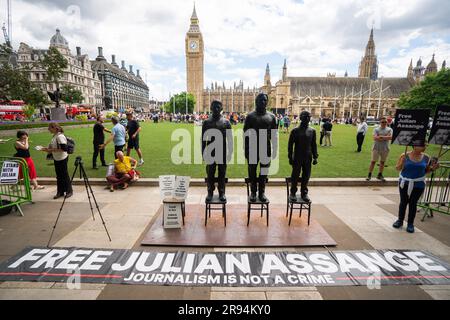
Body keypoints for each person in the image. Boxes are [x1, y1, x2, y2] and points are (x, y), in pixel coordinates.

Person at [393, 145, 439, 233]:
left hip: (419, 184)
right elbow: (397, 168)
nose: (424, 147)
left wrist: (433, 168)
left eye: (425, 145)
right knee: (403, 202)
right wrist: (402, 163)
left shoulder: (426, 157)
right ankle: (400, 220)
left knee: (413, 203)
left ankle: (410, 223)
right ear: (414, 146)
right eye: (422, 145)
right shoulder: (404, 155)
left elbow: (426, 170)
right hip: (404, 183)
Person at [244, 93, 278, 203]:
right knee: (252, 171)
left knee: (264, 171)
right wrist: (246, 150)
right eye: (260, 100)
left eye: (265, 100)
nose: (263, 102)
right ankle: (253, 192)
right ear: (256, 101)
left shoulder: (272, 117)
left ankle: (262, 192)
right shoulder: (250, 116)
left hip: (265, 147)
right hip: (253, 147)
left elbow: (274, 135)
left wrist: (274, 148)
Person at [202, 101, 233, 202]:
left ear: (221, 108)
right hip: (210, 151)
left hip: (222, 151)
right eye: (214, 106)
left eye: (218, 106)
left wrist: (230, 152)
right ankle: (210, 192)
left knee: (222, 173)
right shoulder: (206, 122)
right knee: (210, 173)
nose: (216, 108)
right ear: (211, 107)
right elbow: (203, 139)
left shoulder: (226, 122)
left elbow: (230, 139)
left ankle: (222, 192)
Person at [288, 111, 319, 203]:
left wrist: (315, 156)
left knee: (306, 175)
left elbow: (314, 145)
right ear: (301, 118)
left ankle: (304, 193)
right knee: (295, 175)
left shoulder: (312, 131)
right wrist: (290, 157)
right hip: (297, 156)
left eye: (309, 117)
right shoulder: (295, 131)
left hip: (308, 157)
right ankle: (293, 192)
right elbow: (290, 145)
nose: (308, 119)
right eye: (306, 117)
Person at [41, 123, 73, 199]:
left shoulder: (60, 136)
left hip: (62, 158)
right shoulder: (55, 136)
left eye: (49, 128)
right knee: (59, 176)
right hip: (57, 158)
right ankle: (60, 192)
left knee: (64, 175)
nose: (48, 129)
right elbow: (54, 147)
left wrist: (50, 150)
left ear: (55, 128)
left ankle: (69, 191)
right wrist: (46, 149)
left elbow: (64, 149)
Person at [367, 117, 393, 182]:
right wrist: (385, 137)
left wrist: (380, 136)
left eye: (385, 122)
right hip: (376, 147)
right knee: (373, 161)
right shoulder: (376, 129)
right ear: (380, 122)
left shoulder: (390, 129)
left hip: (385, 148)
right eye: (382, 122)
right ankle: (369, 174)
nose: (384, 123)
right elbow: (375, 138)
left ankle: (380, 174)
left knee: (382, 162)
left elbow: (390, 137)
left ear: (387, 123)